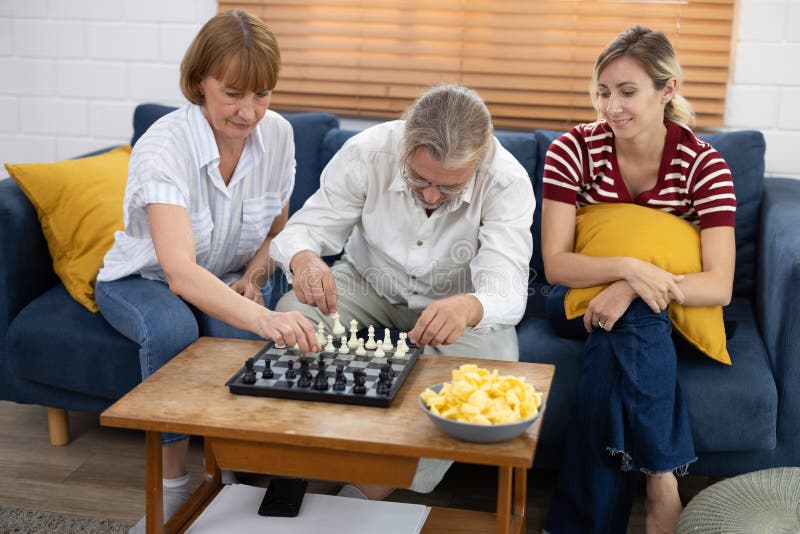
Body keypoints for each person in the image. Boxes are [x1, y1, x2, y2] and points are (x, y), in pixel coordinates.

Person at [94, 10, 319, 532]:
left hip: (225, 277)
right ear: (200, 81)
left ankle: (228, 475)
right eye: (234, 93)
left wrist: (256, 278)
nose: (249, 112)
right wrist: (263, 320)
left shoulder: (279, 136)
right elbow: (179, 273)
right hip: (144, 278)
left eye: (261, 94)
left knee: (234, 327)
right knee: (175, 327)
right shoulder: (163, 147)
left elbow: (275, 234)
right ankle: (173, 487)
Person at [270, 83, 535, 499]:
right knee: (293, 316)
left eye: (449, 189)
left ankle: (368, 488)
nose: (431, 196)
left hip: (457, 300)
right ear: (405, 145)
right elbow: (304, 230)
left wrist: (470, 306)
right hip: (367, 281)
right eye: (420, 179)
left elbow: (506, 286)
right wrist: (305, 260)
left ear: (479, 161)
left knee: (496, 359)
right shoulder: (367, 152)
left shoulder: (507, 181)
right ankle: (304, 462)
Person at [541, 26, 736, 533]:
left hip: (645, 310)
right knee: (636, 322)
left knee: (622, 336)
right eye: (603, 92)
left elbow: (718, 285)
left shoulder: (704, 166)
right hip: (571, 301)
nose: (611, 107)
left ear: (666, 89)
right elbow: (557, 264)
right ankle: (663, 483)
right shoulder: (571, 150)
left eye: (627, 92)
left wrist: (629, 287)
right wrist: (627, 267)